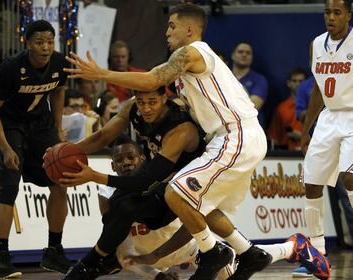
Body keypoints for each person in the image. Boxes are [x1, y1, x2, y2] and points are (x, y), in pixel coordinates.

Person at [63, 3, 330, 279]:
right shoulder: (185, 69)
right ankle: (263, 252)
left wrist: (103, 74)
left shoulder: (192, 51)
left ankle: (214, 253)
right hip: (229, 139)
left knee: (176, 193)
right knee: (201, 206)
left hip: (235, 135)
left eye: (172, 25)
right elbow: (138, 102)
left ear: (189, 29)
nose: (167, 31)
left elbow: (153, 78)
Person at [58, 86, 208, 279]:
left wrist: (94, 175)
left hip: (187, 194)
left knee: (205, 222)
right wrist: (65, 151)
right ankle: (96, 262)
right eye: (141, 102)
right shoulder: (133, 110)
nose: (145, 109)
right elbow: (103, 136)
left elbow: (145, 182)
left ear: (164, 99)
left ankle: (227, 251)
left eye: (152, 102)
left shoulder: (179, 129)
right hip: (146, 254)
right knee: (122, 204)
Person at [0, 20, 71, 278]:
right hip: (10, 125)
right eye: (39, 42)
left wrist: (58, 128)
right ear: (28, 43)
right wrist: (5, 147)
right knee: (9, 187)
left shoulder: (59, 62)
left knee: (60, 182)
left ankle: (53, 252)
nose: (45, 47)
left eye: (50, 41)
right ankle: (1, 258)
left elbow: (58, 91)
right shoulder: (11, 68)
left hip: (40, 124)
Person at [100, 136, 236, 280]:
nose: (126, 163)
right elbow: (122, 247)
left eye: (131, 157)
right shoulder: (107, 193)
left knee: (225, 272)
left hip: (189, 249)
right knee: (122, 254)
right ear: (113, 166)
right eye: (119, 160)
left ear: (142, 158)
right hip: (150, 261)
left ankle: (226, 250)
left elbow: (192, 227)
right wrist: (158, 276)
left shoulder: (163, 180)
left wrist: (157, 254)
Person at [298, 0, 353, 277]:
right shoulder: (316, 44)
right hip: (329, 118)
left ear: (349, 15)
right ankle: (317, 253)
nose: (330, 17)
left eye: (337, 12)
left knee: (350, 177)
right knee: (311, 182)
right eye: (327, 12)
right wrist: (308, 129)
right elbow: (317, 90)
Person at [231, 42, 269, 130]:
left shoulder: (259, 80)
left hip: (250, 129)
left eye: (248, 53)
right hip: (227, 130)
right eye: (240, 52)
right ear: (233, 55)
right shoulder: (223, 78)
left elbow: (252, 107)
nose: (244, 55)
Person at [268, 68, 306, 150]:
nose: (298, 84)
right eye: (294, 81)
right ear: (289, 83)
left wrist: (301, 136)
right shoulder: (281, 108)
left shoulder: (313, 107)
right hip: (287, 154)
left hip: (309, 151)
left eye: (301, 81)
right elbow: (274, 136)